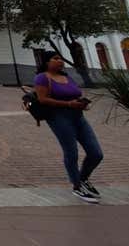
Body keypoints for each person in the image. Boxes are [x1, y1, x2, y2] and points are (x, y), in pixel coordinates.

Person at [34, 50, 103, 203]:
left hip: (78, 117)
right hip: (59, 118)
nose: (60, 61)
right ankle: (77, 186)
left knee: (96, 153)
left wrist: (81, 103)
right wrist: (68, 104)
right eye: (56, 58)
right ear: (47, 62)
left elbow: (75, 93)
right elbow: (42, 99)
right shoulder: (42, 78)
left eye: (61, 58)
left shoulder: (66, 76)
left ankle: (83, 179)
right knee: (71, 152)